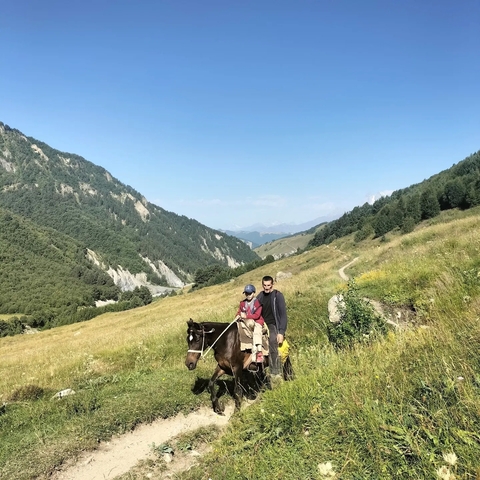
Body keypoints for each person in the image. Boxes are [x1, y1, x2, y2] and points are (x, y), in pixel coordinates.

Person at [256, 275, 288, 380]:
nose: (266, 287)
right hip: (262, 324)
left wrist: (281, 332)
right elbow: (253, 308)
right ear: (262, 285)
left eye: (268, 285)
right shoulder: (260, 296)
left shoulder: (277, 296)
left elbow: (283, 315)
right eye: (264, 285)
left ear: (272, 285)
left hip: (273, 324)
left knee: (273, 341)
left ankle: (276, 372)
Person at [236, 284, 265, 365]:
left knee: (257, 330)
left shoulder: (257, 303)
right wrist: (238, 316)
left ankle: (259, 352)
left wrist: (246, 316)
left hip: (257, 321)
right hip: (245, 321)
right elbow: (238, 312)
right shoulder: (242, 303)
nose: (248, 295)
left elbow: (257, 315)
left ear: (253, 293)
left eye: (250, 293)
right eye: (246, 293)